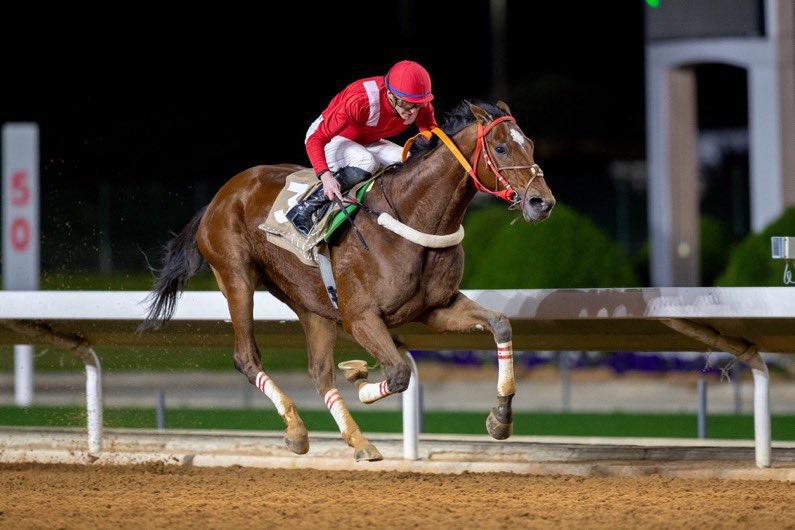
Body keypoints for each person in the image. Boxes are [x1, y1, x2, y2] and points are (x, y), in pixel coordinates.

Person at [286, 60, 438, 236]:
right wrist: (325, 176)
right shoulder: (361, 100)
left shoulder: (417, 102)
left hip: (366, 140)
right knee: (367, 162)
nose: (413, 111)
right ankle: (303, 209)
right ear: (390, 94)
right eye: (406, 104)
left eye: (417, 105)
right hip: (330, 138)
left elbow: (429, 130)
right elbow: (316, 139)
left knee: (408, 160)